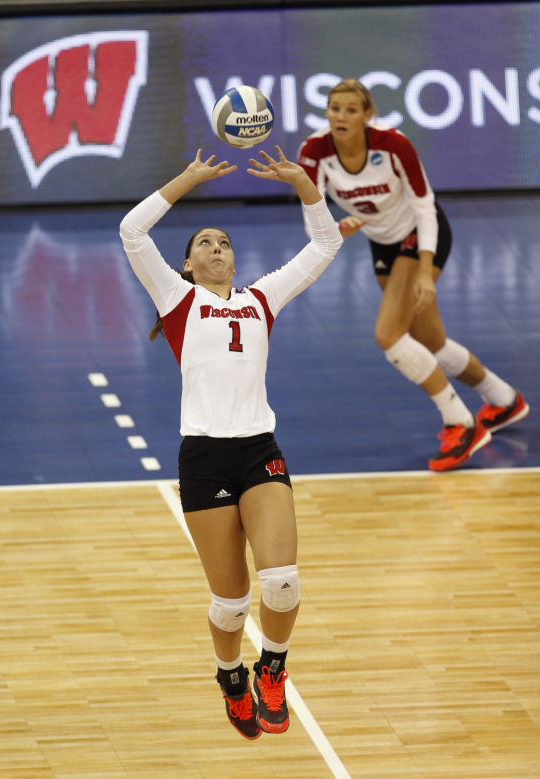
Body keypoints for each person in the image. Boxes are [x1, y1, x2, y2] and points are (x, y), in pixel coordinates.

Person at [119, 147, 343, 739]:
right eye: (206, 245)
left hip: (257, 449)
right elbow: (131, 230)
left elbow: (325, 245)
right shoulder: (178, 299)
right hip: (203, 457)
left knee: (283, 581)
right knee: (231, 604)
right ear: (188, 265)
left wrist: (304, 185)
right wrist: (187, 179)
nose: (218, 249)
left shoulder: (260, 298)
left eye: (225, 243)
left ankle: (273, 668)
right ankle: (230, 678)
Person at [297, 78, 529, 471]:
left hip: (420, 235)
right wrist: (338, 230)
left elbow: (425, 205)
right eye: (335, 108)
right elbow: (313, 221)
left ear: (368, 115)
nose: (341, 116)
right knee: (429, 338)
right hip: (381, 242)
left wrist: (425, 270)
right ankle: (504, 399)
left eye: (351, 110)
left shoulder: (394, 145)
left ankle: (461, 423)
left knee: (389, 334)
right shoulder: (313, 153)